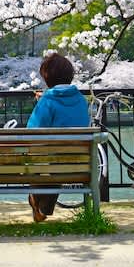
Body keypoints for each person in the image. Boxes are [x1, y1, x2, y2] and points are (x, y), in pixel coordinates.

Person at [26, 52, 91, 222]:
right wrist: (45, 99)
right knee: (58, 163)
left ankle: (37, 202)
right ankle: (43, 207)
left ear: (47, 78)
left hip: (50, 161)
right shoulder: (80, 100)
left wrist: (43, 102)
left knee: (39, 160)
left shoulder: (47, 101)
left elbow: (32, 132)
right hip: (78, 163)